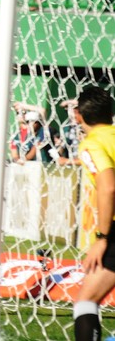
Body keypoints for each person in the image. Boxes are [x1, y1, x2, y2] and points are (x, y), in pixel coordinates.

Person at [71, 86, 115, 341]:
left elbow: (108, 187)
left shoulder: (91, 144)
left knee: (86, 302)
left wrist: (102, 238)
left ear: (79, 116)